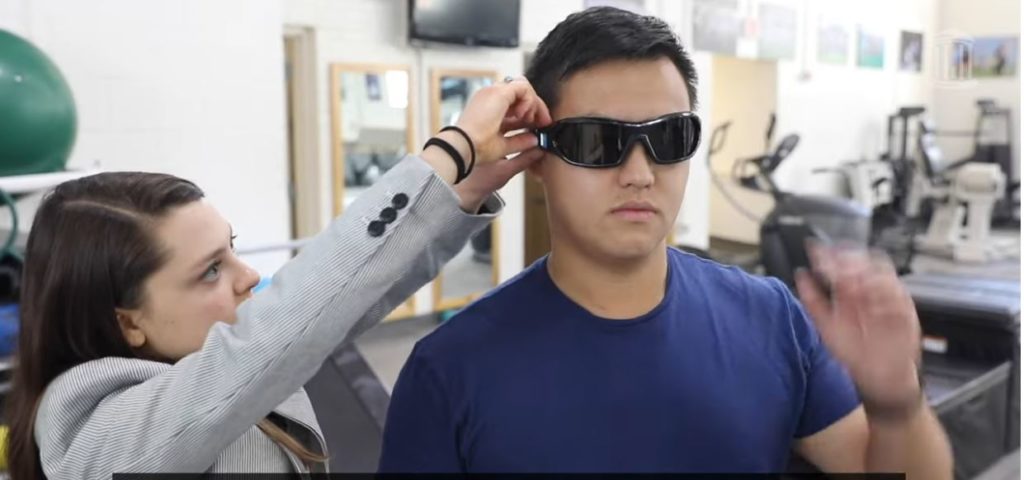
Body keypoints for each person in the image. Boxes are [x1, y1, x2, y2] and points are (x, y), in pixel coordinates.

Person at [379, 7, 953, 477]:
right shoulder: (451, 370)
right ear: (538, 157)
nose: (639, 172)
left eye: (668, 137)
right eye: (599, 141)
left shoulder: (773, 318)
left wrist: (898, 404)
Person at [3, 76, 552, 478]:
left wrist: (465, 189)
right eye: (210, 271)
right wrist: (448, 151)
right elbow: (273, 335)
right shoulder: (93, 433)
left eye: (232, 250)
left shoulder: (206, 369)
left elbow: (343, 302)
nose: (248, 276)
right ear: (128, 322)